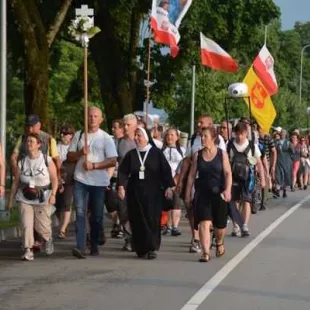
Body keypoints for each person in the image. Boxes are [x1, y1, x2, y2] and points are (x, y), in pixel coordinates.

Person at [67, 107, 117, 259]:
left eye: (96, 116)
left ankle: (94, 244)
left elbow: (113, 160)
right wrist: (80, 153)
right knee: (80, 213)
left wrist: (94, 165)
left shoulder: (106, 138)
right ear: (86, 118)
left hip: (98, 182)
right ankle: (80, 246)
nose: (93, 118)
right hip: (81, 180)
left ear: (101, 119)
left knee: (96, 216)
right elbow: (69, 157)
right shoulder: (79, 135)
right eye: (90, 116)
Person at [118, 127, 174, 259]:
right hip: (135, 192)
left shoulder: (156, 153)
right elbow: (123, 171)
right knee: (137, 219)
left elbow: (165, 170)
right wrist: (121, 186)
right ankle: (140, 248)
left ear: (146, 137)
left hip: (153, 192)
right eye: (135, 135)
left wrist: (168, 187)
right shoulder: (131, 154)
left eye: (139, 135)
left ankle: (151, 247)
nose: (137, 138)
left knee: (152, 219)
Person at [176, 114, 226, 253]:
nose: (198, 125)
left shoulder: (219, 140)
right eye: (198, 123)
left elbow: (224, 164)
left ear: (210, 125)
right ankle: (196, 238)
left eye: (202, 123)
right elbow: (187, 161)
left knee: (216, 217)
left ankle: (216, 236)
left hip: (216, 184)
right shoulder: (193, 139)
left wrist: (226, 188)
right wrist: (181, 183)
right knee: (192, 208)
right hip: (198, 182)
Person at [7, 133, 58, 261]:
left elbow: (54, 179)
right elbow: (16, 182)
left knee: (42, 226)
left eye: (32, 141)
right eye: (27, 141)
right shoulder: (22, 162)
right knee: (26, 224)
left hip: (42, 196)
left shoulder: (47, 160)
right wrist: (10, 200)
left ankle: (48, 238)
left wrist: (53, 195)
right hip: (24, 197)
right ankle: (28, 250)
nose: (29, 144)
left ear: (39, 145)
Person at [185, 127, 232, 262]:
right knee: (204, 223)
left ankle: (219, 242)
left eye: (205, 136)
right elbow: (191, 176)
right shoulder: (197, 155)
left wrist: (227, 189)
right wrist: (188, 194)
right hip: (202, 193)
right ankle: (206, 253)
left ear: (213, 138)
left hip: (219, 193)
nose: (203, 139)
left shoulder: (222, 154)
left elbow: (228, 173)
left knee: (220, 227)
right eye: (201, 137)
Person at [227, 122, 265, 237]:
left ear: (246, 134)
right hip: (233, 177)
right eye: (237, 134)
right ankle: (236, 226)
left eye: (242, 134)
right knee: (234, 202)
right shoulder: (229, 145)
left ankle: (244, 225)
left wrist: (263, 179)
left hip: (248, 178)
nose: (239, 136)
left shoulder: (252, 146)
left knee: (246, 201)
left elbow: (259, 163)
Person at [161, 127, 186, 236]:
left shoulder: (182, 151)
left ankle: (175, 226)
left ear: (177, 137)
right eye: (168, 135)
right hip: (164, 181)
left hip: (177, 181)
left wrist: (178, 180)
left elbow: (184, 166)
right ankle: (168, 226)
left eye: (172, 135)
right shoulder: (162, 150)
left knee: (176, 204)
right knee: (167, 205)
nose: (169, 137)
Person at [55, 124, 75, 239]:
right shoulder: (57, 147)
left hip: (70, 179)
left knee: (67, 203)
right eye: (61, 133)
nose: (62, 135)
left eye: (65, 133)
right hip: (58, 177)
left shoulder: (73, 148)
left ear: (71, 136)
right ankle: (64, 224)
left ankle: (62, 229)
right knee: (58, 206)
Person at [274, 129, 293, 198]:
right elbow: (274, 151)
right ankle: (277, 191)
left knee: (285, 176)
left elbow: (292, 152)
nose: (282, 134)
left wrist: (291, 148)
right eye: (281, 133)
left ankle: (284, 191)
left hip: (286, 161)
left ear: (285, 134)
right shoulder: (277, 142)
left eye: (284, 133)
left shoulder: (288, 142)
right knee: (278, 175)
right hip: (279, 160)